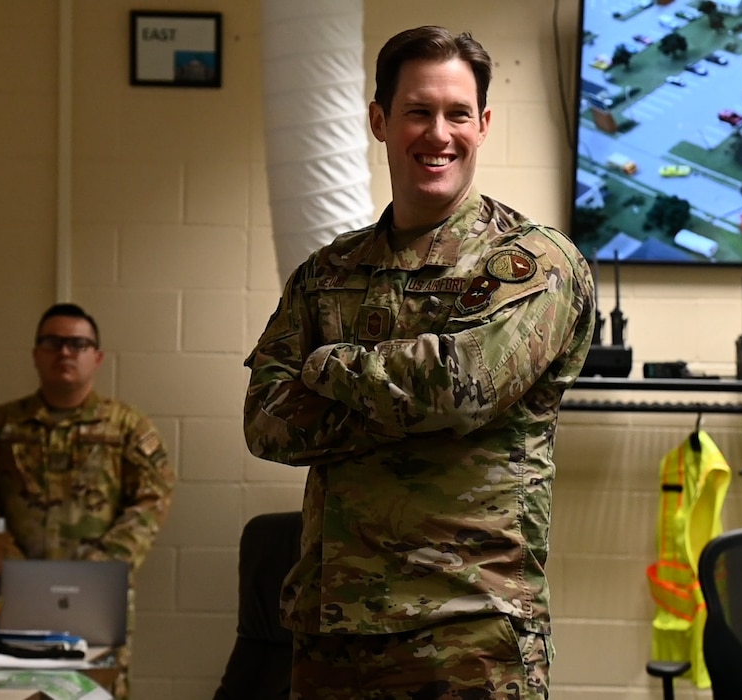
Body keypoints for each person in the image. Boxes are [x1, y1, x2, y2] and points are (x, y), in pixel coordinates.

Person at [242, 25, 595, 699]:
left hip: (468, 636)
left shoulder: (533, 266)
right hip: (331, 636)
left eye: (457, 113)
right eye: (418, 111)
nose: (439, 133)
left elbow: (458, 389)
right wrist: (411, 402)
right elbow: (266, 423)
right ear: (379, 121)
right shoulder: (328, 272)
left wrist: (327, 365)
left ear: (483, 124)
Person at [0, 302, 174, 700]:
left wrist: (101, 566)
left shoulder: (128, 427)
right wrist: (8, 560)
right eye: (53, 343)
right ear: (36, 354)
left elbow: (152, 499)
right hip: (13, 590)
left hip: (97, 596)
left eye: (77, 343)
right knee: (15, 691)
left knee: (97, 691)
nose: (65, 352)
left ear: (97, 357)